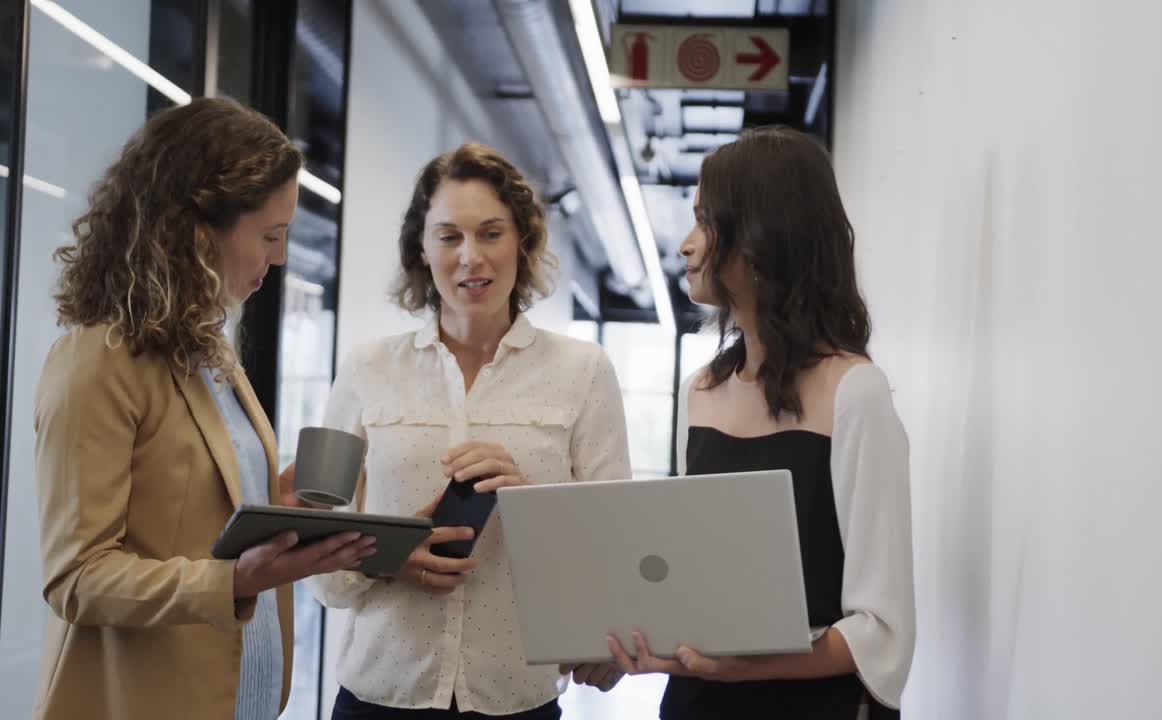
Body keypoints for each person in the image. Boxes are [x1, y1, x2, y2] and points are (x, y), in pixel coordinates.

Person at [32, 97, 376, 720]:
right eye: (269, 236)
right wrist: (235, 581)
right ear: (196, 229)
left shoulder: (208, 351)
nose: (277, 258)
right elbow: (78, 578)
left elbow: (200, 511)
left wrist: (283, 505)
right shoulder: (96, 363)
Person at [304, 142, 631, 720]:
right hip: (381, 696)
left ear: (522, 242)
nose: (470, 257)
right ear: (422, 248)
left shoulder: (584, 373)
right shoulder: (364, 368)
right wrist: (390, 554)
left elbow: (616, 549)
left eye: (491, 233)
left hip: (516, 700)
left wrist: (532, 502)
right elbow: (312, 550)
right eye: (449, 236)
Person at [607, 126, 916, 718]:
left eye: (705, 222)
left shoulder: (857, 393)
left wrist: (748, 666)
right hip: (697, 702)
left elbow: (881, 628)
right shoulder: (699, 390)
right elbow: (689, 577)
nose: (686, 245)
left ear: (762, 237)